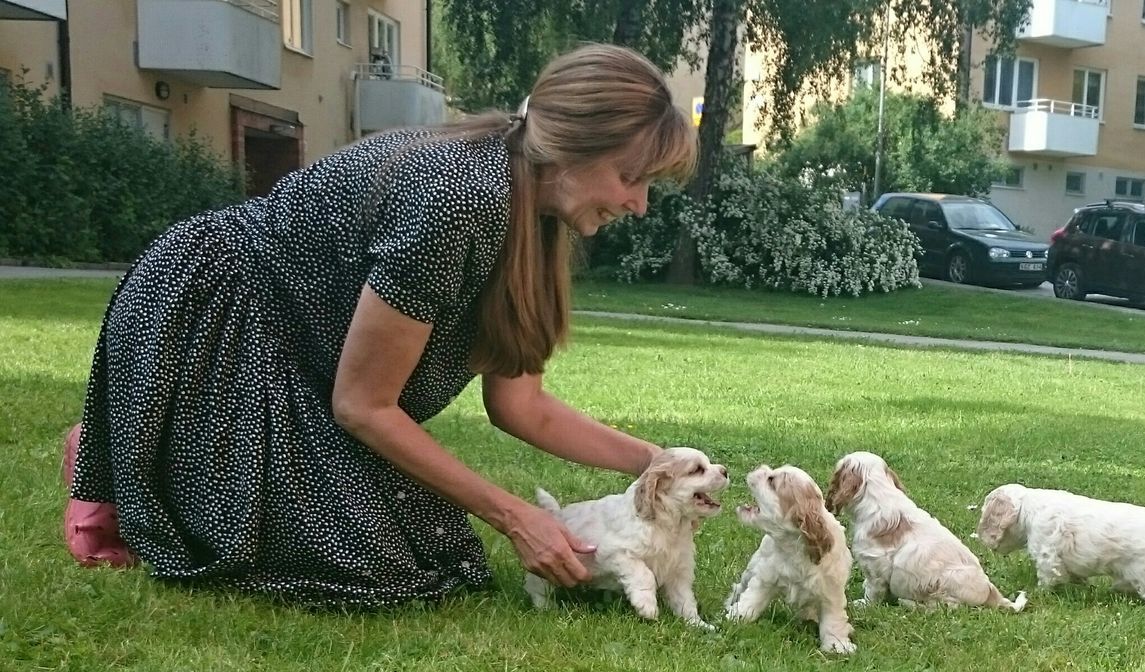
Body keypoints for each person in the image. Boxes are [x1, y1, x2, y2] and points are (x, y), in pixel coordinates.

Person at [62, 43, 697, 606]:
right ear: (569, 149)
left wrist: (660, 463)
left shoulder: (534, 217)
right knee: (364, 567)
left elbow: (522, 405)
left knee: (436, 557)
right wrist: (513, 516)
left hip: (307, 346)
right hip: (216, 316)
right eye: (630, 178)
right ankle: (142, 443)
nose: (637, 205)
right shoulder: (458, 201)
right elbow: (364, 405)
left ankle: (157, 447)